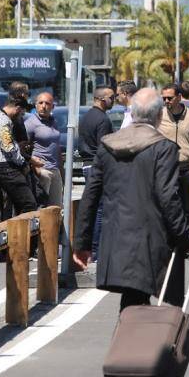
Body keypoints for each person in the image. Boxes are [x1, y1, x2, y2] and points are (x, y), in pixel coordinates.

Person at [73, 88, 189, 311]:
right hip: (151, 240)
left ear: (132, 115)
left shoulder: (107, 145)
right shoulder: (163, 148)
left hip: (116, 238)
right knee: (159, 311)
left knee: (131, 304)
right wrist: (186, 236)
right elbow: (167, 197)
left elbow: (90, 196)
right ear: (159, 116)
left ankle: (129, 343)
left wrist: (82, 243)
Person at [158, 82, 189, 301]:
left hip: (186, 168)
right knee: (166, 207)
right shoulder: (159, 116)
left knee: (186, 208)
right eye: (163, 98)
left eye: (169, 98)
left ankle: (187, 244)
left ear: (179, 97)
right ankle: (168, 243)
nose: (166, 102)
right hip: (165, 169)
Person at [78, 86, 115, 262]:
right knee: (100, 209)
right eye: (111, 97)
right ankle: (96, 250)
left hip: (87, 165)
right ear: (101, 99)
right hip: (97, 166)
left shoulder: (86, 117)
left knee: (92, 207)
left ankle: (92, 249)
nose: (113, 100)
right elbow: (104, 147)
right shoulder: (103, 120)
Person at [0, 94, 37, 216]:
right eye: (22, 113)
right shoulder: (2, 120)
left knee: (14, 206)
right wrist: (23, 163)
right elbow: (8, 147)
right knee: (29, 204)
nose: (21, 117)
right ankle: (22, 234)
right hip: (5, 168)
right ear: (17, 108)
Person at [24, 92, 65, 207]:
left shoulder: (53, 122)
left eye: (47, 103)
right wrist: (35, 167)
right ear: (35, 105)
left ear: (52, 106)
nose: (43, 106)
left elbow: (57, 149)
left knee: (57, 209)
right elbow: (21, 148)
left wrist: (63, 172)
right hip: (42, 171)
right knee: (41, 208)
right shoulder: (30, 124)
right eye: (40, 103)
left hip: (55, 170)